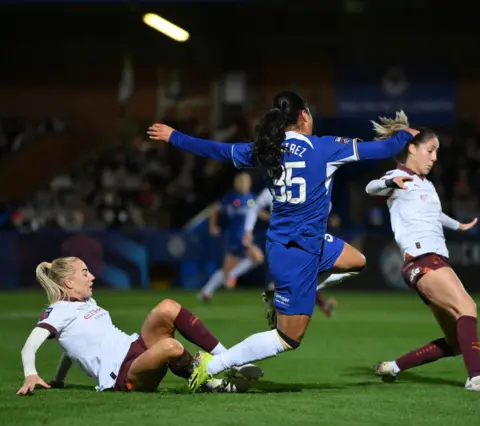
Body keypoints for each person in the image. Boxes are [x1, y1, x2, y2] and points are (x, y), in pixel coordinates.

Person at [147, 91, 419, 393]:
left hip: (295, 244)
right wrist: (406, 135)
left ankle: (280, 299)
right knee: (288, 339)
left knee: (357, 261)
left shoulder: (268, 150)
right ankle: (208, 367)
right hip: (298, 253)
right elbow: (382, 149)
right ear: (304, 116)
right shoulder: (325, 148)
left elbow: (218, 151)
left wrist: (176, 137)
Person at [363, 112, 480, 392]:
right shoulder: (399, 175)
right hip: (422, 260)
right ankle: (477, 379)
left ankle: (395, 367)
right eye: (431, 149)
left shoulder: (427, 184)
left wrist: (458, 225)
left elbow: (435, 214)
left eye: (437, 151)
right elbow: (371, 187)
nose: (435, 157)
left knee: (455, 343)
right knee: (467, 307)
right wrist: (390, 183)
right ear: (412, 148)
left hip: (431, 260)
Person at [17, 257, 263, 395]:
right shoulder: (58, 311)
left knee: (167, 306)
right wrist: (31, 373)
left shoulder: (87, 301)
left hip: (135, 347)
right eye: (85, 273)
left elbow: (72, 347)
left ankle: (230, 359)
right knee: (170, 346)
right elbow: (29, 346)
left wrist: (59, 379)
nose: (91, 277)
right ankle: (211, 384)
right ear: (69, 282)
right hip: (122, 374)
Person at [245, 187, 364, 323]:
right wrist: (248, 231)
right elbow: (255, 207)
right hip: (284, 240)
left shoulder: (300, 185)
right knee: (285, 281)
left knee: (296, 278)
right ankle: (279, 319)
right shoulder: (275, 188)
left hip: (297, 240)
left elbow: (327, 205)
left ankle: (279, 319)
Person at [198, 172, 265, 302]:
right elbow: (214, 208)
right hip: (236, 235)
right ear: (236, 184)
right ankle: (232, 276)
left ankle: (206, 292)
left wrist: (272, 218)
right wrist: (213, 226)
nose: (244, 184)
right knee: (257, 257)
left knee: (227, 267)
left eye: (246, 181)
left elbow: (258, 212)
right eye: (241, 181)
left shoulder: (251, 198)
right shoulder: (231, 198)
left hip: (243, 236)